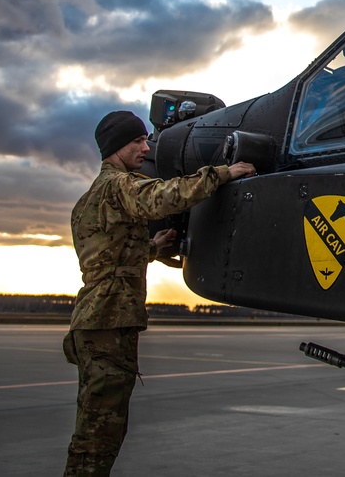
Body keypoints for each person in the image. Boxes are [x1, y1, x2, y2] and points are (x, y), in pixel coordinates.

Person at [62, 110, 256, 476]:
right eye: (137, 141)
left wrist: (151, 247)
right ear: (117, 146)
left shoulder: (86, 202)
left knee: (96, 426)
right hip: (108, 321)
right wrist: (223, 174)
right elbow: (162, 197)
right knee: (98, 434)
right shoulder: (118, 186)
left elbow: (106, 259)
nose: (145, 147)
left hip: (95, 320)